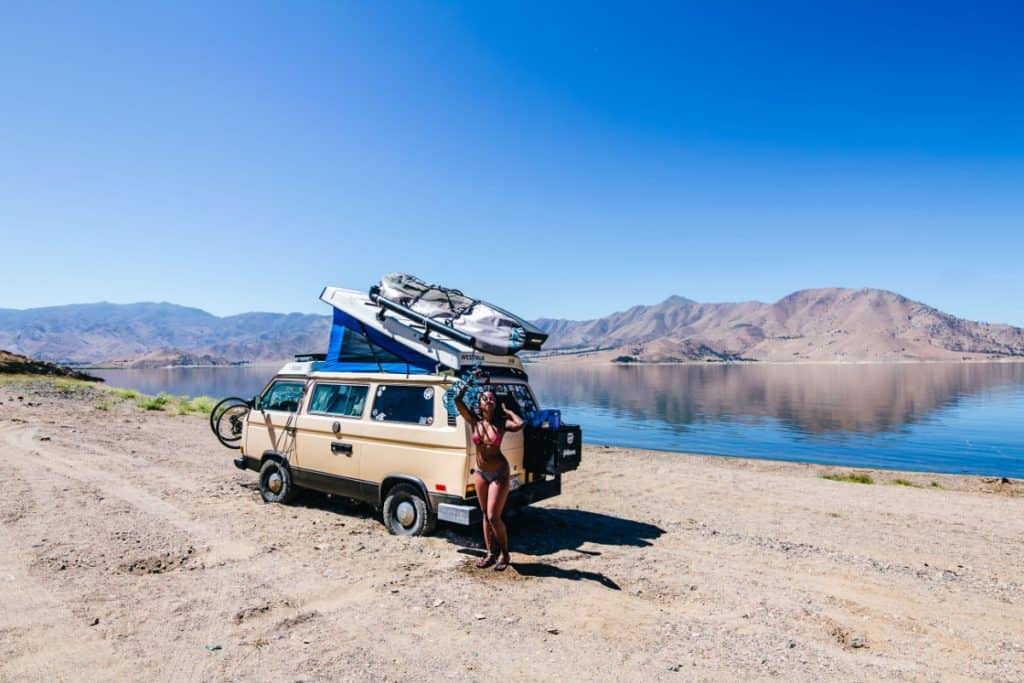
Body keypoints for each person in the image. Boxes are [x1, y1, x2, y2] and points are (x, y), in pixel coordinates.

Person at [454, 384, 524, 571]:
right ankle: (490, 554)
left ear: (495, 403)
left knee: (494, 516)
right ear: (479, 403)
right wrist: (465, 386)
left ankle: (505, 553)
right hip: (480, 473)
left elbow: (520, 424)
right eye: (485, 398)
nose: (488, 400)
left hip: (499, 473)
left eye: (492, 398)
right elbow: (457, 402)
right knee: (485, 515)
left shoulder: (501, 424)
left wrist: (509, 411)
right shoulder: (474, 421)